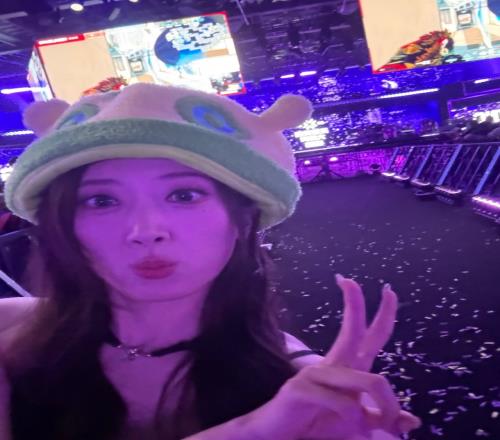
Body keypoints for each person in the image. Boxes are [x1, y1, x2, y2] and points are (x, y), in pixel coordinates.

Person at [0, 83, 421, 439]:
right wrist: (253, 430)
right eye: (101, 200)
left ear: (242, 219)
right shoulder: (14, 336)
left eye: (184, 195)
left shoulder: (292, 380)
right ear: (63, 224)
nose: (146, 230)